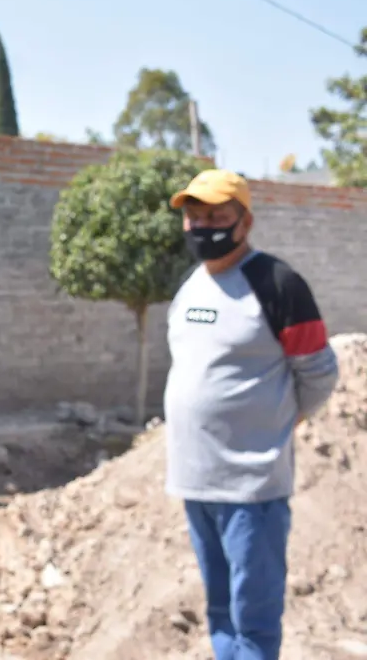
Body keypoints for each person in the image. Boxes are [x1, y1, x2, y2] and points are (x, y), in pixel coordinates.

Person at [165, 169, 339, 660]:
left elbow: (319, 373)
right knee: (220, 611)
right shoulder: (191, 287)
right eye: (194, 216)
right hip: (195, 481)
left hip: (252, 487)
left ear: (245, 222)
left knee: (254, 618)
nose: (204, 225)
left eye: (217, 215)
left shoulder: (278, 284)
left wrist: (282, 420)